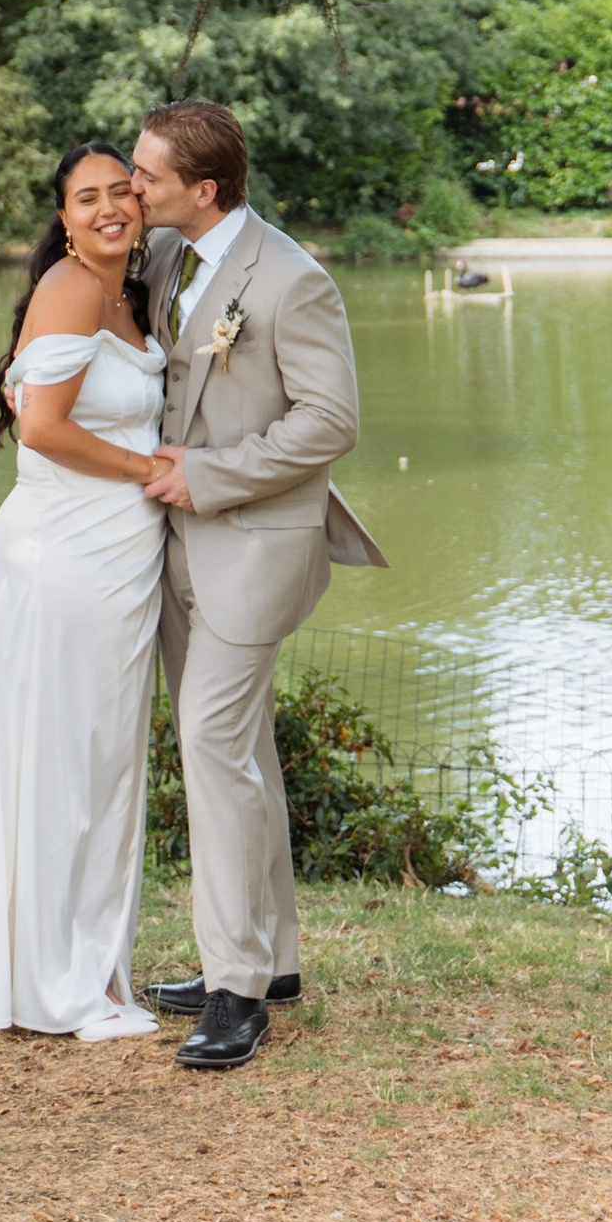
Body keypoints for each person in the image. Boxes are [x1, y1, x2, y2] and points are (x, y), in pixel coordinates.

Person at [130, 100, 386, 1074]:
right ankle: (269, 960)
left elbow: (330, 423)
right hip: (175, 547)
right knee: (242, 753)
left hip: (255, 545)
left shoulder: (292, 280)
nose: (132, 186)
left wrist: (211, 474)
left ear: (204, 189)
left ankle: (234, 991)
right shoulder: (163, 259)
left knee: (209, 741)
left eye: (147, 176)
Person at [0, 139, 168, 1043]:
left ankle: (88, 969)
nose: (112, 207)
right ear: (65, 218)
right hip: (69, 552)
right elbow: (40, 428)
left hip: (117, 556)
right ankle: (57, 983)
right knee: (63, 762)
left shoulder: (133, 291)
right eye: (89, 198)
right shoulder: (74, 290)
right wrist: (147, 467)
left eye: (124, 190)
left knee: (100, 764)